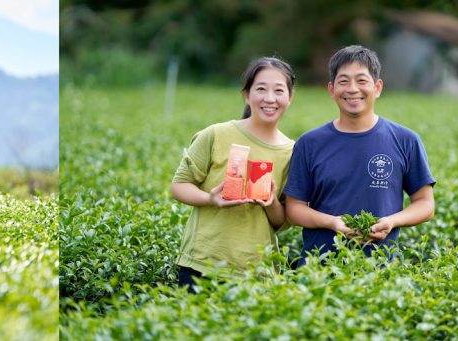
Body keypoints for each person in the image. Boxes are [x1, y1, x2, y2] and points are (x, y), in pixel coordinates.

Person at [283, 45, 435, 264]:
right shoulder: (309, 143)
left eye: (362, 81)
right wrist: (333, 223)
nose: (352, 89)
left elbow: (425, 204)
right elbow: (294, 209)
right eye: (343, 81)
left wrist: (391, 221)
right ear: (331, 89)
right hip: (319, 273)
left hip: (381, 271)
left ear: (377, 87)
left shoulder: (405, 140)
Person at [170, 57, 296, 288]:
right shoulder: (215, 135)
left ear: (290, 97)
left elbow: (284, 221)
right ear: (247, 95)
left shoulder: (292, 152)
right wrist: (210, 198)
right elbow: (179, 186)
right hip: (202, 263)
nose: (270, 98)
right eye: (260, 89)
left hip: (257, 271)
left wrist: (271, 203)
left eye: (279, 90)